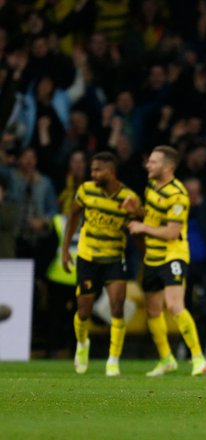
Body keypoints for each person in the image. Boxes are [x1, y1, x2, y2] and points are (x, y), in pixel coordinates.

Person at [123, 145, 206, 377]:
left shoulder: (178, 195)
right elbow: (152, 217)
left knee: (174, 305)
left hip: (174, 255)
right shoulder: (151, 186)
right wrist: (137, 210)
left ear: (168, 167)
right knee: (153, 310)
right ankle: (166, 359)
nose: (148, 165)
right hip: (152, 255)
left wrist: (141, 226)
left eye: (153, 162)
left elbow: (171, 232)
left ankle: (198, 357)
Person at [62, 152, 140, 376]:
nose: (93, 174)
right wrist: (66, 250)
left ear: (111, 171)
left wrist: (138, 212)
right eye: (92, 170)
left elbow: (139, 226)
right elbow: (73, 215)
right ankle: (82, 345)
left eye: (98, 170)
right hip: (88, 258)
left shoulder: (128, 197)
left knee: (117, 307)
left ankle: (113, 360)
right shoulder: (86, 190)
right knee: (83, 310)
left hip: (114, 258)